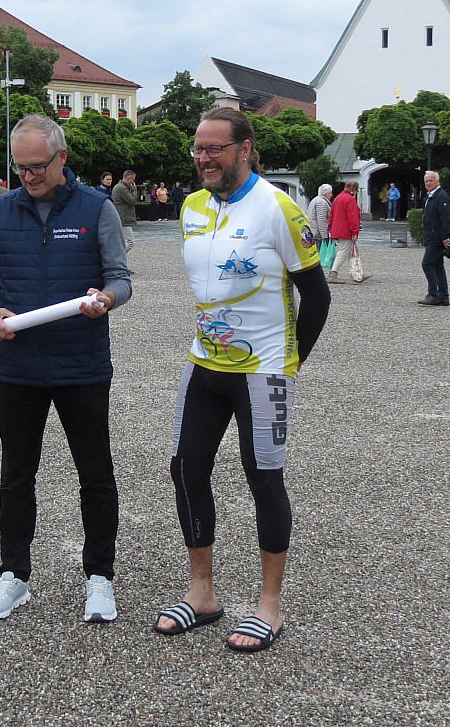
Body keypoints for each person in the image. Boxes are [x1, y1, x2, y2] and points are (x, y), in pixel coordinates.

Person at [155, 108, 331, 654]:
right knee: (185, 469)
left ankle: (269, 607)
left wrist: (289, 363)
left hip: (262, 370)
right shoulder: (191, 207)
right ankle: (202, 594)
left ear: (245, 149)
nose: (204, 158)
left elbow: (317, 296)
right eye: (198, 149)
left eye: (216, 148)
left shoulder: (278, 208)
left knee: (263, 480)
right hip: (204, 363)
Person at [0, 115, 131, 623]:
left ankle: (99, 577)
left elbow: (121, 278)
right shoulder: (2, 208)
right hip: (16, 367)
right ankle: (13, 576)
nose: (28, 176)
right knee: (16, 475)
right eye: (20, 167)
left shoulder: (97, 208)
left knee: (95, 473)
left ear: (62, 158)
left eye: (37, 166)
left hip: (82, 364)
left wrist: (106, 299)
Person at [418, 170, 450, 306]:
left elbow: (445, 218)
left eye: (430, 180)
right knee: (438, 265)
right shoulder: (430, 197)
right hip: (431, 235)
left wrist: (445, 237)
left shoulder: (441, 196)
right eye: (426, 181)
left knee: (427, 264)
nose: (428, 183)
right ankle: (443, 296)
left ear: (437, 181)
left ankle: (433, 294)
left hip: (437, 237)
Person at [327, 180, 364, 283]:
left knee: (349, 252)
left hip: (337, 229)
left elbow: (331, 215)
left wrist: (330, 228)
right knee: (343, 251)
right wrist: (355, 232)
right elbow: (353, 217)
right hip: (345, 230)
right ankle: (333, 274)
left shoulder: (338, 198)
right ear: (354, 190)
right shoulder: (350, 199)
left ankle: (357, 273)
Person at [111, 169, 138, 251]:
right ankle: (118, 256)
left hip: (121, 217)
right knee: (130, 242)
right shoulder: (122, 188)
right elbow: (132, 200)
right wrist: (134, 189)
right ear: (129, 178)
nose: (133, 182)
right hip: (123, 218)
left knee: (121, 241)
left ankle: (118, 256)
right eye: (133, 179)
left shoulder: (119, 187)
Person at [306, 184, 333, 266]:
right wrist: (324, 236)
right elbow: (321, 220)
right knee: (319, 253)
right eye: (330, 193)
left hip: (314, 230)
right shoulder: (321, 202)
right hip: (318, 233)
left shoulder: (316, 200)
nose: (331, 195)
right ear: (325, 193)